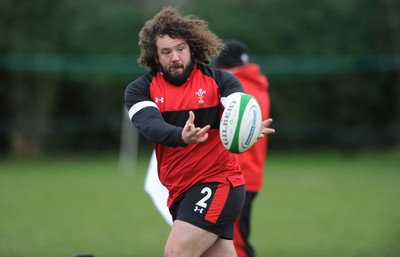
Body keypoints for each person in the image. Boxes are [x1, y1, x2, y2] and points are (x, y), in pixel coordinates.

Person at [124, 6, 275, 257]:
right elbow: (149, 124)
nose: (175, 57)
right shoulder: (140, 89)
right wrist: (180, 136)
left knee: (176, 252)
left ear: (192, 47)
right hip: (179, 191)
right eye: (166, 51)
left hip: (219, 183)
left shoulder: (222, 81)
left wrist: (247, 125)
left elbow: (236, 107)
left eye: (180, 49)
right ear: (155, 56)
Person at [215, 40, 270, 257]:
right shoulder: (258, 85)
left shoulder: (233, 89)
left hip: (234, 176)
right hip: (252, 174)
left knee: (235, 245)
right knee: (236, 238)